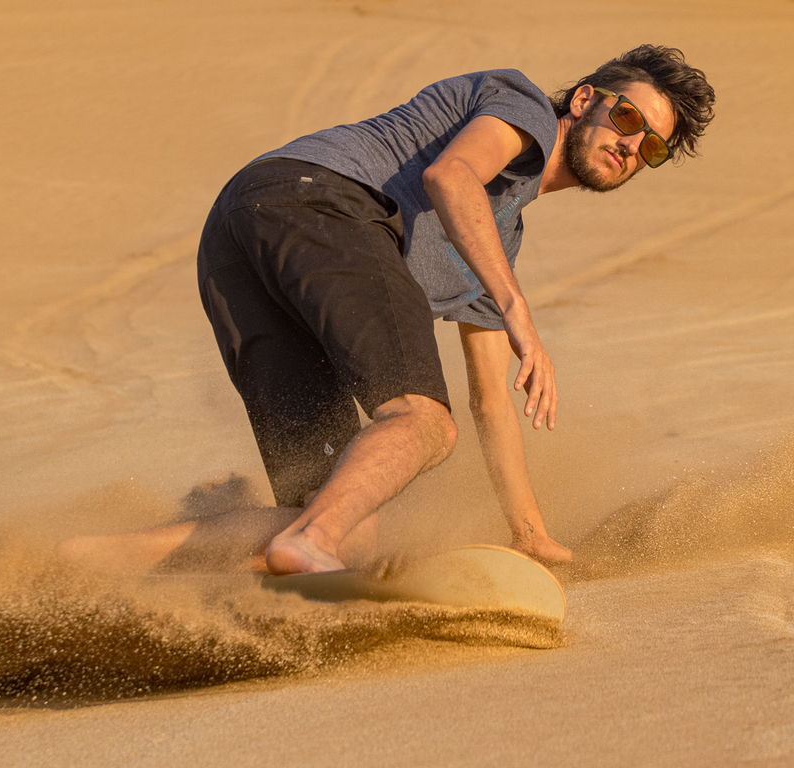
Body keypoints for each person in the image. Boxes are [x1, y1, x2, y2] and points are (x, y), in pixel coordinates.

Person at [60, 44, 715, 575]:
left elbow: (491, 401)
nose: (634, 146)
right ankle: (310, 541)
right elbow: (450, 177)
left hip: (240, 237)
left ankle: (90, 565)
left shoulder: (493, 241)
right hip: (317, 199)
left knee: (352, 527)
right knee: (424, 423)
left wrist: (531, 534)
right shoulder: (522, 105)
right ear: (585, 101)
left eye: (652, 148)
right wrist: (520, 314)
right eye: (629, 119)